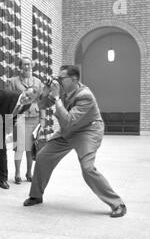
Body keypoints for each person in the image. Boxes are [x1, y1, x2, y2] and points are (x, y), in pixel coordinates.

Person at [23, 65, 127, 218]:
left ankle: (118, 204)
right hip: (69, 130)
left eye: (61, 78)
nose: (58, 80)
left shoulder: (85, 95)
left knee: (88, 168)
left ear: (74, 79)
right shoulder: (63, 90)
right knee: (43, 156)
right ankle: (36, 195)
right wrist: (45, 92)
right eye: (57, 77)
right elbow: (41, 105)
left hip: (88, 131)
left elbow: (68, 121)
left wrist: (57, 97)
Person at [8, 57, 43, 184]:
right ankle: (17, 173)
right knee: (19, 146)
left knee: (31, 147)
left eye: (29, 64)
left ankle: (29, 172)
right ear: (20, 66)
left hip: (34, 117)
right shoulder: (14, 81)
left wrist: (43, 119)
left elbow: (42, 101)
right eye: (24, 64)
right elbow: (10, 99)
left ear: (32, 66)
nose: (27, 67)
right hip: (20, 117)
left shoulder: (38, 82)